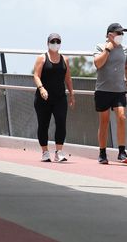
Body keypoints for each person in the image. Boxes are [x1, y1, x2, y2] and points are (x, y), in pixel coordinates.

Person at [93, 23, 127, 164]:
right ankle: (102, 153)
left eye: (122, 33)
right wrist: (107, 51)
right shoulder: (100, 47)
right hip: (103, 90)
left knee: (121, 117)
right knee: (104, 121)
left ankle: (122, 152)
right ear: (110, 35)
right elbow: (97, 64)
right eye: (118, 33)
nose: (121, 36)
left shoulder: (125, 49)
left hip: (119, 90)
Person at [33, 33, 75, 162]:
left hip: (60, 97)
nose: (55, 44)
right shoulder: (42, 58)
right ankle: (45, 152)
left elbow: (67, 78)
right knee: (43, 124)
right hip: (43, 98)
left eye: (57, 41)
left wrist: (72, 94)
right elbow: (36, 75)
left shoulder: (65, 60)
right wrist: (41, 89)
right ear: (48, 43)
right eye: (53, 41)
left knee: (61, 122)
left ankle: (59, 151)